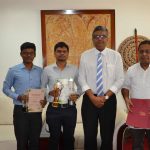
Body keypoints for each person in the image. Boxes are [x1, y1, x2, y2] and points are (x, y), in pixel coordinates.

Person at [78, 26, 124, 150]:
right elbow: (81, 78)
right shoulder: (85, 56)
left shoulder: (116, 56)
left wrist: (106, 96)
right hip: (89, 100)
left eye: (103, 36)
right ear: (92, 39)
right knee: (89, 136)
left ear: (107, 38)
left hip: (108, 100)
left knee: (107, 136)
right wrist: (92, 97)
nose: (100, 39)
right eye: (96, 36)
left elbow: (120, 79)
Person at [3, 42, 45, 150]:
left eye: (31, 53)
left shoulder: (41, 71)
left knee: (35, 142)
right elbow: (5, 88)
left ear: (35, 54)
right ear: (21, 54)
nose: (28, 55)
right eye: (25, 53)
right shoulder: (13, 70)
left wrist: (44, 100)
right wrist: (18, 96)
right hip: (20, 111)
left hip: (36, 111)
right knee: (21, 143)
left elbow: (43, 89)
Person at [41, 42, 81, 150]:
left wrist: (76, 95)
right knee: (54, 138)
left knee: (69, 138)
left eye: (64, 51)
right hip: (53, 108)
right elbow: (42, 87)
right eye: (59, 51)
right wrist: (49, 93)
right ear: (54, 53)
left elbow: (81, 87)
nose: (61, 53)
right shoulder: (47, 70)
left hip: (70, 108)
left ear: (68, 53)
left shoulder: (74, 69)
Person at [122, 40, 150, 150]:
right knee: (137, 144)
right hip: (137, 111)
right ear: (138, 53)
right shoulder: (131, 70)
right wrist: (126, 98)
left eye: (147, 51)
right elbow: (125, 87)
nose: (144, 54)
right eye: (142, 51)